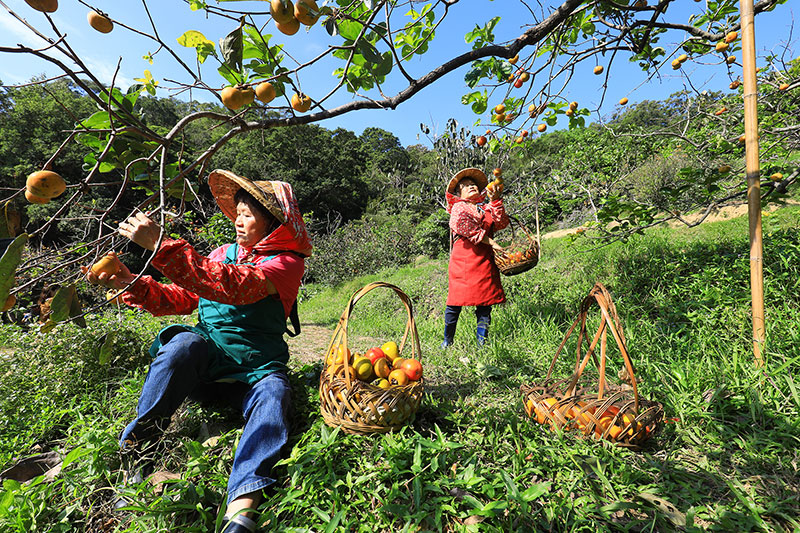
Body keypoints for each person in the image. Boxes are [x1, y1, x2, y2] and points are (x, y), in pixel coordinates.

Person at [84, 169, 312, 533]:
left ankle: (242, 509)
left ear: (273, 222)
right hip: (207, 366)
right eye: (237, 212)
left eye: (248, 214)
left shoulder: (286, 263)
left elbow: (231, 285)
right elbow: (184, 296)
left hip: (255, 370)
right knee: (184, 343)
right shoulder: (223, 253)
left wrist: (161, 245)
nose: (238, 220)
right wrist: (132, 283)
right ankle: (138, 451)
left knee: (275, 394)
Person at [442, 167, 509, 347]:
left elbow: (501, 222)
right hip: (464, 260)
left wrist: (495, 201)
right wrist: (494, 243)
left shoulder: (485, 208)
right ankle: (447, 341)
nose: (471, 186)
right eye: (465, 186)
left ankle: (482, 343)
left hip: (485, 261)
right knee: (455, 303)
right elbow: (465, 228)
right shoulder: (458, 208)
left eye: (473, 185)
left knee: (485, 303)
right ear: (458, 193)